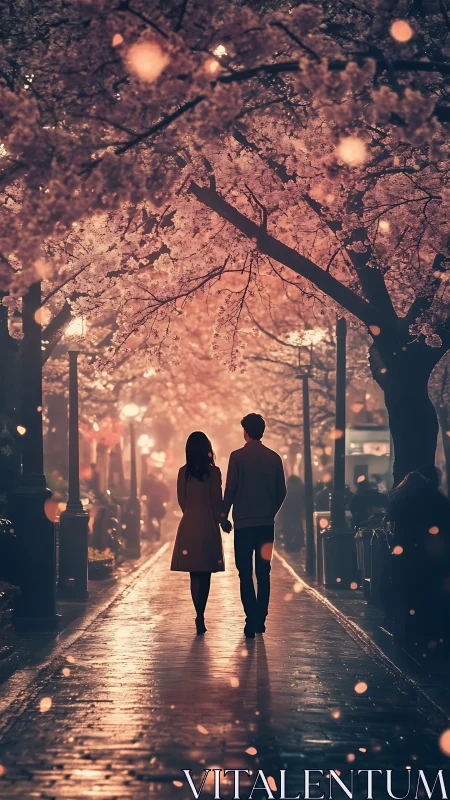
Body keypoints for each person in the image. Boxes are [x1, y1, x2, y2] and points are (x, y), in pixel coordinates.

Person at [222, 413, 286, 639]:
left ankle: (251, 617)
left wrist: (224, 515)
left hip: (243, 526)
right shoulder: (274, 458)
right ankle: (261, 617)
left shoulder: (237, 457)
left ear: (246, 432)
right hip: (266, 525)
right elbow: (282, 492)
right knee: (264, 572)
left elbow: (230, 489)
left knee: (245, 573)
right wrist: (270, 512)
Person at [171, 432, 225, 635]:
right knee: (206, 571)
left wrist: (192, 512)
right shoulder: (214, 472)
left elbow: (181, 501)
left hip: (190, 522)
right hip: (208, 522)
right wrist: (222, 520)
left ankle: (198, 613)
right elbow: (216, 500)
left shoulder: (183, 472)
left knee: (194, 572)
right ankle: (202, 612)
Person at [276, 474, 305, 552]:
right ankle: (298, 544)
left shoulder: (286, 487)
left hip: (287, 512)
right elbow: (304, 499)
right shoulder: (300, 487)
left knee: (287, 528)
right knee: (298, 526)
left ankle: (288, 545)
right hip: (297, 511)